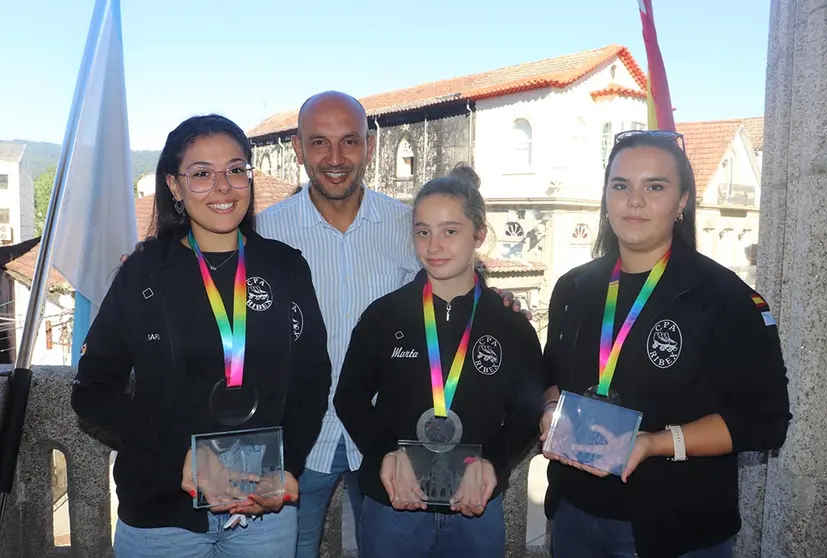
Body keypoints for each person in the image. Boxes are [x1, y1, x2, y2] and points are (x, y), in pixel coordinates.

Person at [256, 91, 528, 556]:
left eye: (350, 142)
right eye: (319, 143)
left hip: (393, 443)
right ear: (297, 150)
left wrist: (496, 299)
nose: (336, 158)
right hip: (301, 438)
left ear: (370, 146)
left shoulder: (406, 224)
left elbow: (450, 281)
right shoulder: (264, 232)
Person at [72, 114, 332, 557]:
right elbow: (93, 391)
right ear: (173, 185)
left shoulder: (285, 267)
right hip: (161, 516)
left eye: (235, 169)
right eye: (201, 174)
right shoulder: (144, 273)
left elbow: (312, 378)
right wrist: (183, 454)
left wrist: (287, 466)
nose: (223, 186)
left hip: (262, 514)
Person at [538, 130, 791, 558]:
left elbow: (765, 420)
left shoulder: (725, 297)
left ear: (682, 202)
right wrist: (549, 409)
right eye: (621, 186)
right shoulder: (573, 287)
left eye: (655, 186)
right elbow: (550, 374)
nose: (634, 200)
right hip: (574, 516)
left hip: (676, 530)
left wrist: (654, 443)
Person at [333, 164, 543, 558]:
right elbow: (349, 398)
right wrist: (385, 455)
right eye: (422, 231)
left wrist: (494, 464)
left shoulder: (510, 323)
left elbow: (527, 412)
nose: (433, 246)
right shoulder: (384, 315)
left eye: (450, 231)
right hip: (395, 501)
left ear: (479, 234)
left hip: (475, 505)